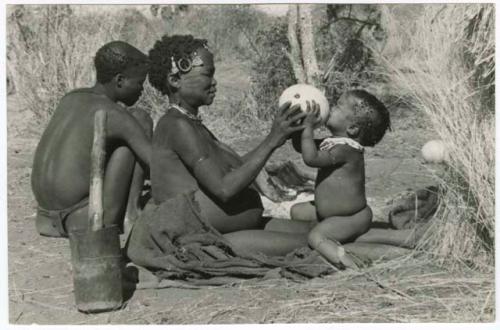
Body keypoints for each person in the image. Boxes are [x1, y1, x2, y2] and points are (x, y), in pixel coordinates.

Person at [144, 34, 311, 256]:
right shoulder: (176, 126)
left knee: (319, 231)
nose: (214, 82)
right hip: (209, 238)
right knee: (316, 243)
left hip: (229, 230)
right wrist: (271, 140)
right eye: (207, 74)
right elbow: (225, 189)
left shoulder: (190, 123)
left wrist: (278, 138)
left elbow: (234, 169)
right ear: (175, 80)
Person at [31, 41, 153, 238]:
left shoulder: (70, 99)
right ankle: (131, 214)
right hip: (85, 222)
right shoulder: (115, 114)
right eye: (139, 83)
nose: (142, 90)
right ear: (120, 80)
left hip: (45, 221)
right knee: (141, 119)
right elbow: (156, 164)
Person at [290, 90, 391, 268]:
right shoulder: (334, 142)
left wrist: (308, 129)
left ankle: (348, 263)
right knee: (296, 211)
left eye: (338, 106)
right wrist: (298, 126)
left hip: (351, 217)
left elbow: (311, 159)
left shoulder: (346, 150)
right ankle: (348, 236)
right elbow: (301, 147)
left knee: (315, 237)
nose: (330, 106)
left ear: (352, 128)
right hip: (333, 214)